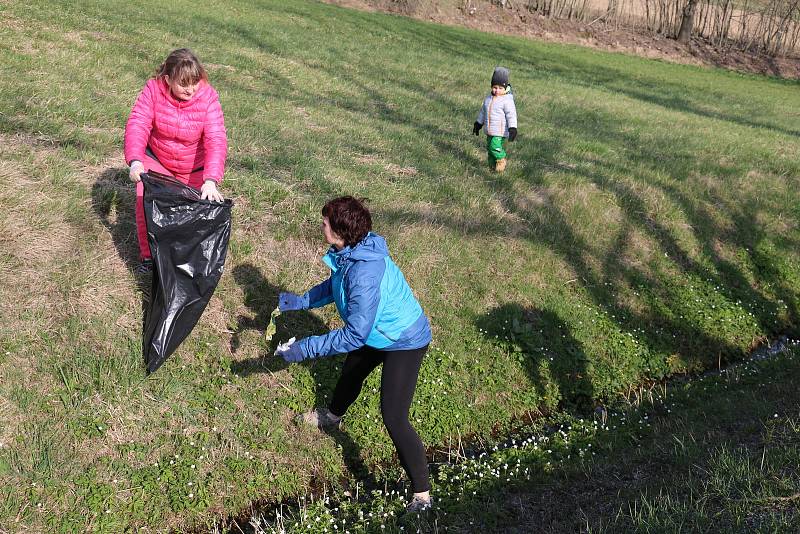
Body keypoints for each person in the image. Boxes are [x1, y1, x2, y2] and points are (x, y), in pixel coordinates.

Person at [276, 196, 434, 513]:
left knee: (394, 417)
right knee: (351, 372)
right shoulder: (349, 252)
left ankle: (422, 496)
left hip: (403, 339)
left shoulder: (364, 272)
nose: (321, 224)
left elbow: (354, 334)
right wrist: (303, 301)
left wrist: (303, 349)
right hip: (373, 331)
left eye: (325, 222)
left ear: (341, 232)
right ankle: (332, 416)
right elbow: (336, 284)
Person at [124, 48, 228, 274]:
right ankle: (148, 257)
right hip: (157, 160)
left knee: (191, 217)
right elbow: (138, 124)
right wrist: (135, 160)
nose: (190, 89)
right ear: (168, 79)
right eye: (183, 84)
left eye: (195, 82)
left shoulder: (208, 97)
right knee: (146, 200)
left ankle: (182, 262)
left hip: (194, 168)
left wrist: (210, 180)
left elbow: (216, 139)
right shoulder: (153, 90)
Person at [472, 66, 518, 173]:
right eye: (495, 87)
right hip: (490, 130)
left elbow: (511, 115)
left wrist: (513, 128)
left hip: (500, 132)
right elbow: (483, 112)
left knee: (494, 147)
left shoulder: (507, 100)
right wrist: (478, 124)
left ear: (505, 88)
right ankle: (492, 169)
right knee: (490, 150)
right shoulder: (488, 98)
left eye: (500, 88)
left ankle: (501, 159)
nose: (497, 90)